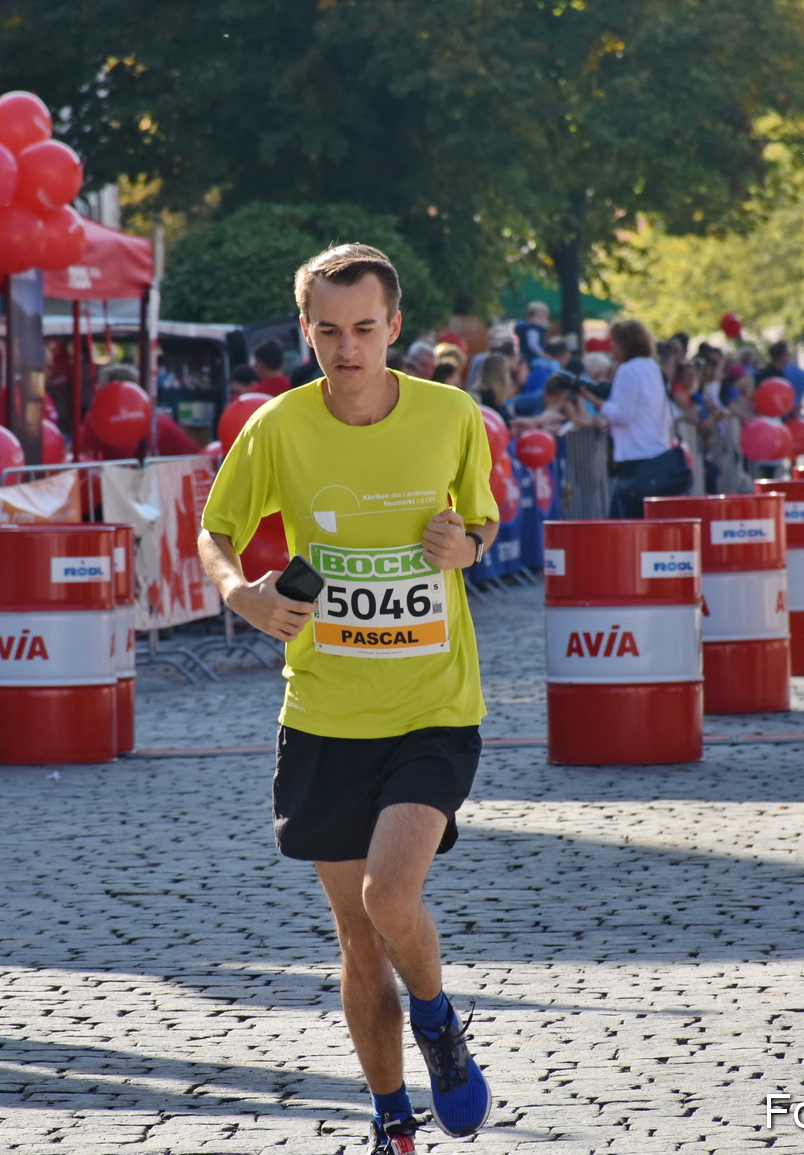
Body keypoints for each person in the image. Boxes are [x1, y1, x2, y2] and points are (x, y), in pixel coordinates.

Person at [196, 243, 498, 1154]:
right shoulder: (278, 427)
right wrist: (238, 591)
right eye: (327, 330)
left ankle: (439, 1022)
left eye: (364, 328)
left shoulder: (450, 415)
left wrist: (467, 546)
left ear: (395, 327)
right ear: (306, 331)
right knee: (358, 942)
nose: (347, 346)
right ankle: (391, 1119)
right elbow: (216, 530)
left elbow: (481, 519)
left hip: (433, 704)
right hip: (324, 716)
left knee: (388, 897)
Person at [590, 318, 688, 517]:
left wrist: (600, 405)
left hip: (636, 460)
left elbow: (623, 416)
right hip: (658, 456)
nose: (611, 346)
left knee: (625, 527)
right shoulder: (653, 367)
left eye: (615, 341)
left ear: (626, 343)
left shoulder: (627, 370)